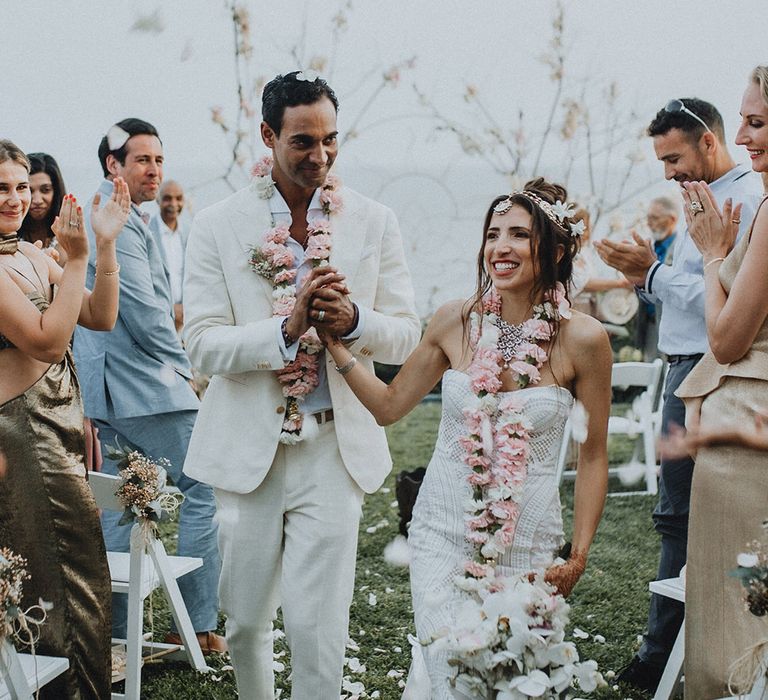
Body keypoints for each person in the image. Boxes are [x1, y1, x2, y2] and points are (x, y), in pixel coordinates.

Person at [322, 178, 612, 699]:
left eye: (519, 235)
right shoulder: (456, 321)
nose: (500, 247)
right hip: (440, 533)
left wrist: (579, 554)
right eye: (493, 233)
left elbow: (592, 455)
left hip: (530, 546)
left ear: (558, 248)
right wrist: (337, 348)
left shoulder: (584, 339)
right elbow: (390, 407)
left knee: (515, 679)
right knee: (450, 669)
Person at [182, 71, 420, 699]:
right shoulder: (215, 225)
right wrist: (284, 330)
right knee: (246, 622)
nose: (321, 156)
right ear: (268, 135)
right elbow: (200, 342)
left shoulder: (372, 219)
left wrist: (356, 321)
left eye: (331, 140)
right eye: (303, 142)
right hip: (249, 453)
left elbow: (406, 334)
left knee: (320, 626)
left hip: (334, 449)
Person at [595, 98, 762, 691]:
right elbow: (691, 294)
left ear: (708, 143)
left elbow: (727, 296)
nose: (668, 172)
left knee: (681, 518)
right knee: (677, 517)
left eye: (674, 158)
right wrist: (646, 278)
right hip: (685, 366)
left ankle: (662, 653)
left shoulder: (743, 202)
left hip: (711, 372)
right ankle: (676, 647)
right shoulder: (706, 199)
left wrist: (651, 273)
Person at [73, 119, 225, 653]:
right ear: (113, 165)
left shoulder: (124, 213)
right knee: (208, 483)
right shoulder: (109, 215)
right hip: (148, 385)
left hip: (111, 390)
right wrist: (186, 368)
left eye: (159, 159)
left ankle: (115, 637)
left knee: (121, 504)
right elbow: (142, 310)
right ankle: (199, 626)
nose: (155, 170)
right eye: (142, 160)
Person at [0, 139, 130, 698]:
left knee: (85, 573)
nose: (15, 198)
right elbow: (49, 343)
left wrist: (102, 244)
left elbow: (99, 314)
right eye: (1, 188)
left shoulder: (30, 254)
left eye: (21, 187)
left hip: (60, 429)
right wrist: (74, 258)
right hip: (23, 433)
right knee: (51, 576)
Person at [674, 65, 768, 698]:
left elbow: (728, 338)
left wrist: (711, 254)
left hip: (746, 434)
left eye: (757, 122)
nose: (742, 135)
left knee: (733, 613)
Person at [634, 196, 678, 360]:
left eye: (655, 218)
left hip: (671, 326)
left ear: (672, 219)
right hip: (649, 325)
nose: (649, 223)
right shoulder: (650, 247)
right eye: (648, 218)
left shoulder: (681, 248)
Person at [569, 207, 632, 317]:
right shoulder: (567, 255)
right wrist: (619, 284)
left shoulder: (585, 253)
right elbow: (584, 284)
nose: (589, 233)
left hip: (589, 310)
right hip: (575, 310)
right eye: (587, 228)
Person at [152, 179, 188, 332]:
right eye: (167, 198)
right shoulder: (147, 232)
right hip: (158, 317)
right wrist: (171, 309)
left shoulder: (189, 234)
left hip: (186, 317)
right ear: (157, 200)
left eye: (178, 198)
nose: (174, 204)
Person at [17, 152, 67, 256]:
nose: (37, 200)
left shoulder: (69, 234)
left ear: (56, 191)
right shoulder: (8, 235)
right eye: (29, 191)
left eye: (45, 190)